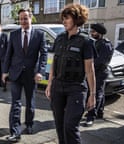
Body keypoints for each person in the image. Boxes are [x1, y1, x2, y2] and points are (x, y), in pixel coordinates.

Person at [45, 3, 96, 144]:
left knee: (70, 126)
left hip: (76, 88)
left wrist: (92, 95)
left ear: (77, 19)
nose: (64, 21)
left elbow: (90, 70)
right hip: (58, 87)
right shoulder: (59, 38)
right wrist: (50, 84)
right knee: (60, 126)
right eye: (63, 18)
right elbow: (53, 63)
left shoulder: (86, 41)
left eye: (67, 18)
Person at [2, 8, 47, 142]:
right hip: (15, 74)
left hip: (31, 75)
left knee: (30, 103)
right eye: (21, 18)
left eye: (25, 18)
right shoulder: (14, 34)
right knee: (15, 103)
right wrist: (5, 71)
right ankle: (15, 131)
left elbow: (43, 55)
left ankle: (29, 123)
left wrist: (40, 71)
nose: (22, 21)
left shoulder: (39, 35)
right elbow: (8, 54)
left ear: (30, 18)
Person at [85, 23, 114, 126]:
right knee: (100, 93)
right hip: (96, 72)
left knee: (96, 94)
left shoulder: (105, 44)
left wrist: (88, 67)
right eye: (91, 31)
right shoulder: (97, 42)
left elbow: (99, 61)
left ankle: (91, 116)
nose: (91, 33)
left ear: (100, 33)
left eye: (94, 32)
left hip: (99, 73)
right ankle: (99, 113)